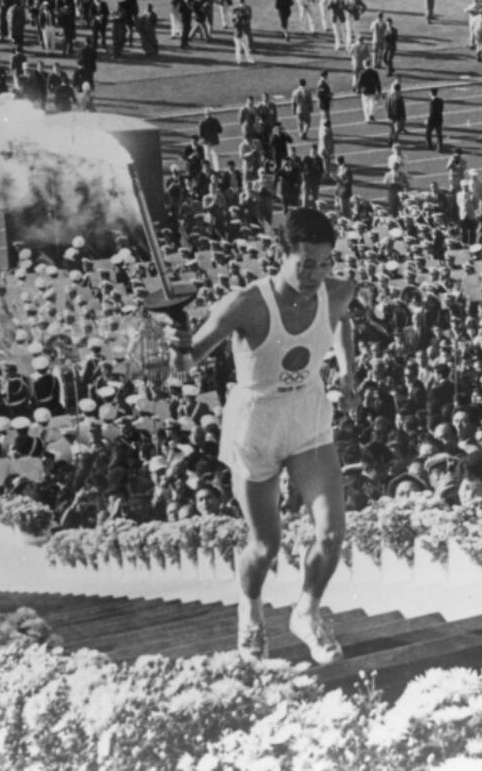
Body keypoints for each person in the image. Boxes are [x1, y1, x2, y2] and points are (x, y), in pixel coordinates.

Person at [169, 208, 359, 665]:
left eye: (325, 262)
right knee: (265, 545)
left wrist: (349, 372)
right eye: (306, 262)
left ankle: (307, 612)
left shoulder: (338, 290)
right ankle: (250, 612)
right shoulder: (246, 304)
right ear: (283, 254)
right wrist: (174, 340)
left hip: (308, 418)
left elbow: (342, 319)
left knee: (332, 533)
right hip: (255, 425)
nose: (316, 274)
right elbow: (184, 365)